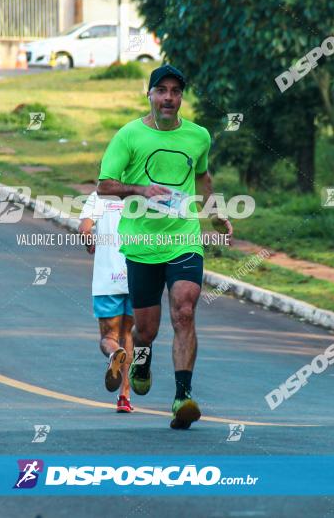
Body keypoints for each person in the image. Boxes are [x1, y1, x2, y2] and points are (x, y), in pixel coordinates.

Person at [96, 64, 233, 430]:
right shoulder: (129, 136)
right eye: (162, 90)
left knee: (184, 311)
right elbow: (104, 185)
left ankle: (182, 396)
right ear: (150, 94)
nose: (169, 98)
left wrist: (215, 213)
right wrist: (141, 190)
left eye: (175, 91)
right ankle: (141, 360)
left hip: (183, 238)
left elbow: (202, 174)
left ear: (181, 97)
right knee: (146, 330)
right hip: (142, 243)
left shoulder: (198, 136)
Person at [78, 190, 135, 413]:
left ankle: (114, 353)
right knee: (128, 333)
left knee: (108, 338)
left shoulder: (98, 196)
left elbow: (84, 229)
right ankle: (125, 396)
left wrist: (89, 241)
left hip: (107, 281)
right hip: (136, 275)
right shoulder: (141, 195)